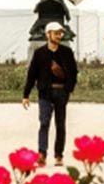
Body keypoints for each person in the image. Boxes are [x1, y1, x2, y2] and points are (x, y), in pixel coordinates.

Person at [21, 22, 77, 165]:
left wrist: (68, 89)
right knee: (44, 123)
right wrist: (26, 95)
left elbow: (73, 72)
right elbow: (32, 74)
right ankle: (42, 154)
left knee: (60, 125)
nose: (59, 36)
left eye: (60, 33)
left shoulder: (66, 52)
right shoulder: (40, 53)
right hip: (45, 93)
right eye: (56, 33)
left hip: (61, 92)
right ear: (48, 35)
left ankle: (58, 155)